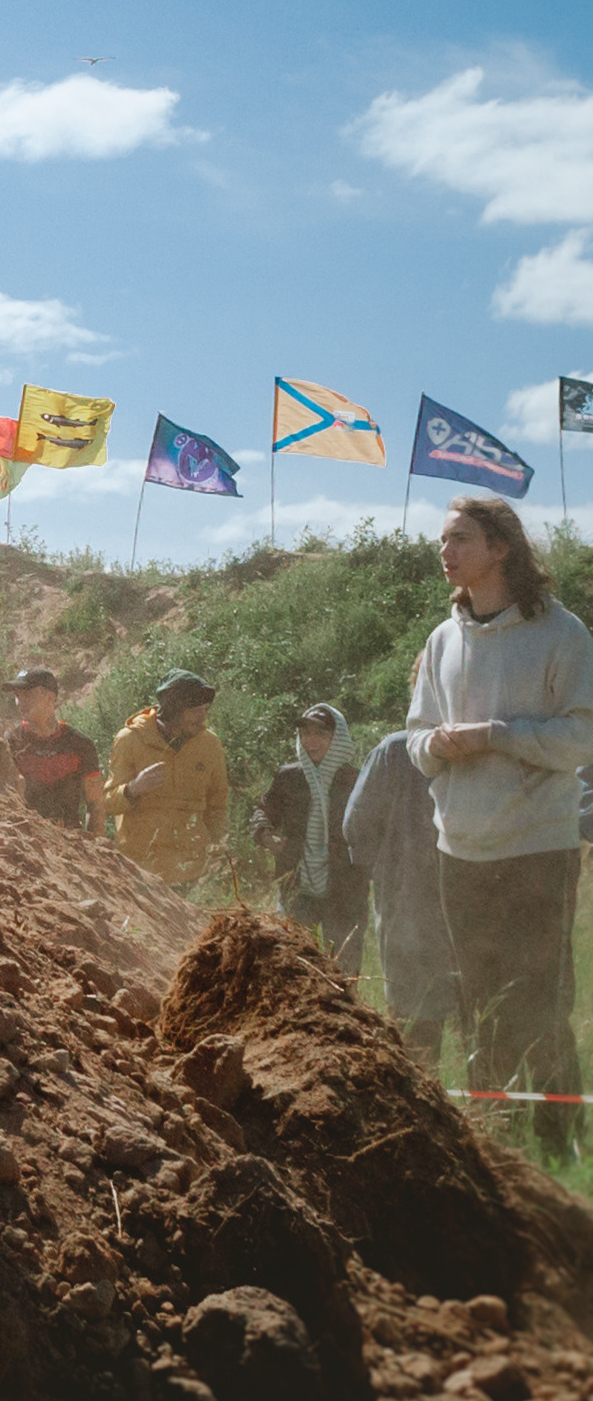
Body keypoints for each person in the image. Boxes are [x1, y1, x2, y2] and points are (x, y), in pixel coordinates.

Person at [407, 496, 593, 1161]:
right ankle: (495, 1148)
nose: (446, 550)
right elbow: (414, 737)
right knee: (474, 1001)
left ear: (501, 549)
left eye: (460, 538)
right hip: (459, 847)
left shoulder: (562, 634)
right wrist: (439, 750)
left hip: (537, 845)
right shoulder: (441, 639)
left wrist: (498, 736)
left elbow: (582, 736)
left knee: (539, 1002)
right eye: (444, 539)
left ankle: (558, 1148)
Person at [342, 730, 458, 1067]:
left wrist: (386, 869)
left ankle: (419, 1102)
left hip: (409, 901)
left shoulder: (395, 750)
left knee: (413, 1012)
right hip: (468, 902)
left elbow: (356, 823)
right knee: (480, 1017)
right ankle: (481, 1111)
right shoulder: (490, 739)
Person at [257, 704, 364, 971]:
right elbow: (263, 811)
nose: (310, 741)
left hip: (344, 888)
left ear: (336, 738)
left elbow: (376, 825)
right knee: (292, 964)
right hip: (298, 883)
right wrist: (268, 837)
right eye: (305, 733)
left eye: (320, 734)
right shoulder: (289, 777)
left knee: (343, 968)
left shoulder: (355, 780)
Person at [106, 670, 230, 891]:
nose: (203, 719)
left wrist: (216, 852)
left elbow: (217, 805)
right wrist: (134, 788)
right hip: (140, 872)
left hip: (191, 873)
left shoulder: (210, 745)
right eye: (194, 711)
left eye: (205, 710)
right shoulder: (130, 740)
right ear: (173, 709)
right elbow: (106, 802)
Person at [7, 667, 107, 834]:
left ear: (50, 698)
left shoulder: (80, 744)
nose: (20, 702)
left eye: (28, 695)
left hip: (70, 842)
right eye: (17, 696)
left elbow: (95, 805)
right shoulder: (11, 741)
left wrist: (96, 847)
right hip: (27, 840)